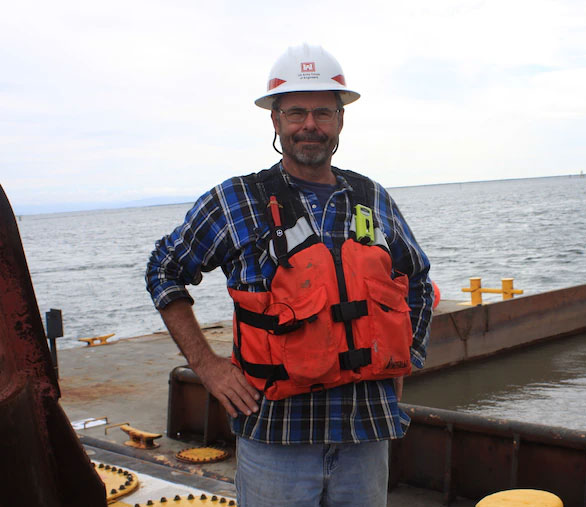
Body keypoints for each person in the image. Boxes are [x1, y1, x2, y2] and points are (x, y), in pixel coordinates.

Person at [146, 43, 433, 507]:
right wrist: (208, 367)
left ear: (340, 119)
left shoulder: (372, 198)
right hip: (275, 437)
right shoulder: (235, 200)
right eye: (296, 112)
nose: (310, 126)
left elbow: (417, 279)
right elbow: (164, 270)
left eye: (323, 112)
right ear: (275, 120)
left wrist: (407, 355)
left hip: (367, 434)